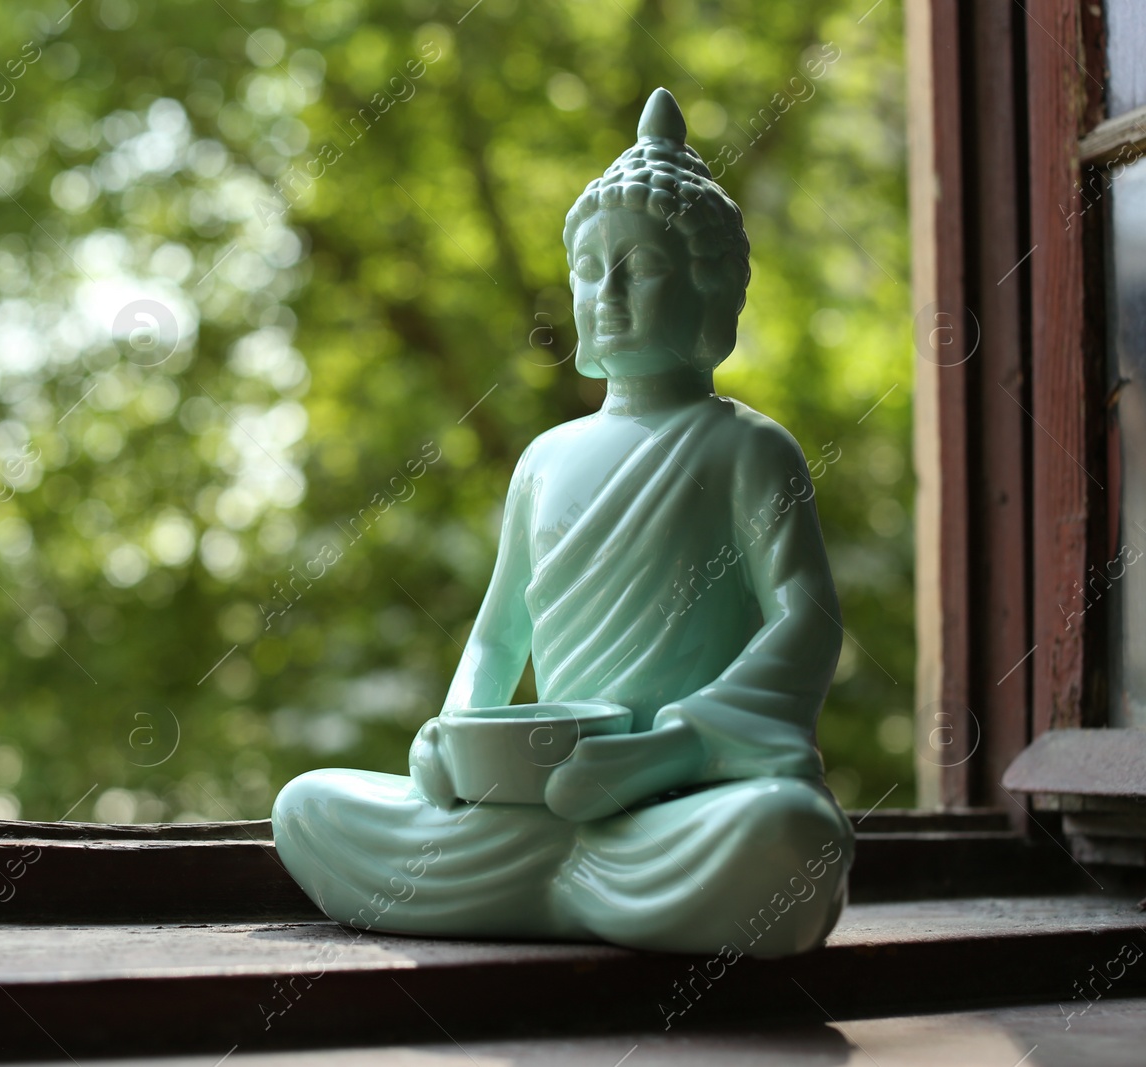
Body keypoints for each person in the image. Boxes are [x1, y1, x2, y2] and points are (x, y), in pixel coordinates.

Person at [271, 88, 853, 957]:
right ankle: (578, 886)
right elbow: (499, 634)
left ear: (709, 287)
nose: (607, 291)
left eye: (642, 268)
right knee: (308, 807)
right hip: (544, 801)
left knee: (792, 836)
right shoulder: (545, 459)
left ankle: (558, 888)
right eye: (590, 268)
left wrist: (670, 749)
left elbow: (806, 620)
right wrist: (453, 732)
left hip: (677, 802)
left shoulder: (748, 449)